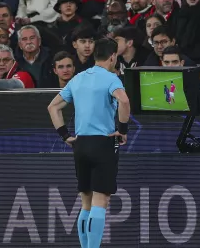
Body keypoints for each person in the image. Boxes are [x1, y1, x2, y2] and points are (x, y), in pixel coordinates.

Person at [47, 38, 130, 248]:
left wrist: (65, 135)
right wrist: (122, 130)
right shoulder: (111, 78)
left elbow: (53, 107)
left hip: (80, 144)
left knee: (86, 203)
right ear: (113, 57)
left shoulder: (78, 79)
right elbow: (124, 100)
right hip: (103, 143)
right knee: (101, 202)